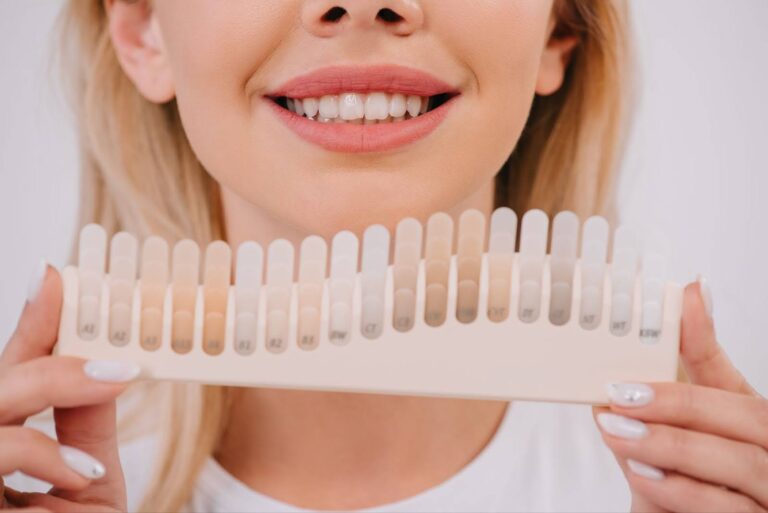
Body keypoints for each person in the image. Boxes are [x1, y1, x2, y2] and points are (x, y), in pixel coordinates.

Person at [2, 1, 767, 512]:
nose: (363, 2)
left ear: (558, 28)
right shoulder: (31, 470)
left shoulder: (731, 421)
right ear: (143, 29)